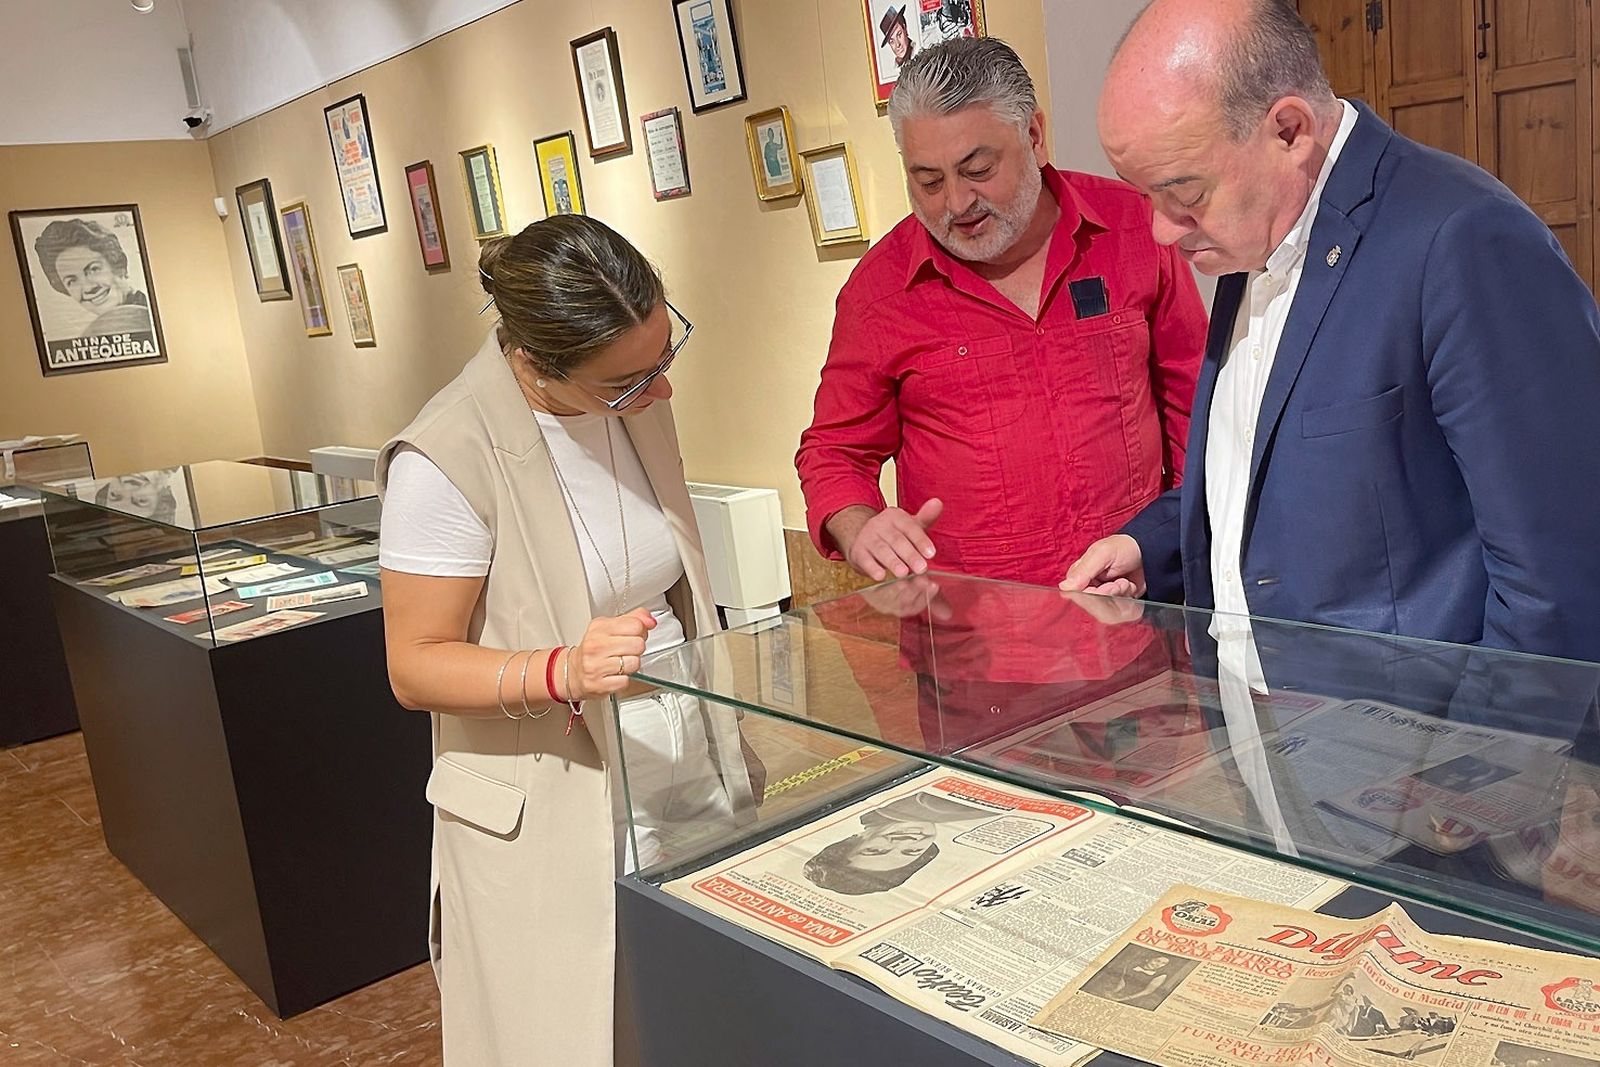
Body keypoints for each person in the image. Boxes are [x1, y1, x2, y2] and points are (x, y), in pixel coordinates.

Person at [1063, 0, 1600, 668]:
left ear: (1289, 131)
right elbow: (1273, 469)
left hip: (1415, 753)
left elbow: (1559, 575)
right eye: (1144, 196)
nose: (1161, 231)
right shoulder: (1255, 233)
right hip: (1265, 734)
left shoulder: (1464, 240)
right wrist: (1154, 546)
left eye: (1184, 193)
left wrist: (1475, 766)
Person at [378, 215, 760, 1066]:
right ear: (532, 362)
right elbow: (413, 663)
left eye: (667, 356)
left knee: (695, 1002)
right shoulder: (444, 457)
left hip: (675, 750)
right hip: (549, 790)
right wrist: (560, 669)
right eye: (628, 382)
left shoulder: (634, 400)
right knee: (581, 1028)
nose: (660, 393)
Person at [797, 37, 1207, 587]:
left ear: (1034, 137)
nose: (957, 204)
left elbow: (1197, 409)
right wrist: (858, 525)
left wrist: (1176, 555)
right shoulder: (879, 291)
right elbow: (834, 451)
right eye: (928, 181)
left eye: (978, 168)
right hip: (973, 644)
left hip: (1138, 616)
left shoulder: (1135, 229)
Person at [801, 789, 987, 895]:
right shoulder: (960, 814)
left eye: (876, 850)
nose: (906, 841)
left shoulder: (877, 795)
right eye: (911, 852)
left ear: (852, 839)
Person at [33, 218, 153, 338]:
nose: (88, 288)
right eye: (72, 281)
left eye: (94, 269)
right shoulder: (101, 331)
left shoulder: (152, 317)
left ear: (118, 265)